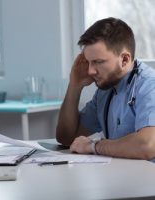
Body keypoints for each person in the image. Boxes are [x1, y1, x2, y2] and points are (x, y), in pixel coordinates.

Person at [56, 17, 155, 160]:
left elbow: (147, 145)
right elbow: (67, 137)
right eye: (89, 62)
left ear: (125, 59)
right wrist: (74, 86)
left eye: (98, 62)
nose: (90, 71)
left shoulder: (149, 85)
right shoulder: (105, 91)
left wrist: (94, 146)